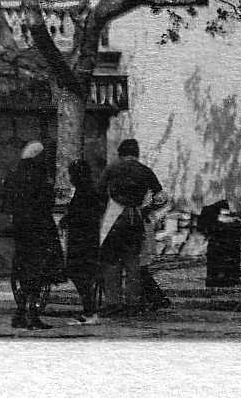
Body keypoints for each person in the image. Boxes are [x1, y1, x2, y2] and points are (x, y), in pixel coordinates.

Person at [96, 138, 165, 315]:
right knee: (132, 261)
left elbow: (99, 193)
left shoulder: (112, 168)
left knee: (111, 262)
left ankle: (113, 302)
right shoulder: (144, 170)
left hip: (114, 217)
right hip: (135, 218)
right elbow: (162, 197)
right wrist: (147, 209)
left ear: (121, 153)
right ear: (136, 153)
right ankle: (133, 303)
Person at [2, 141, 58, 330]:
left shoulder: (13, 175)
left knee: (23, 271)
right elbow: (47, 201)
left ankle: (20, 313)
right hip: (40, 229)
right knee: (38, 273)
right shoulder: (40, 175)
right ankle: (32, 315)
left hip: (20, 229)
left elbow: (6, 204)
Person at [62, 158, 105, 324]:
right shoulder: (88, 190)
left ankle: (90, 311)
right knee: (83, 276)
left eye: (71, 174)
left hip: (81, 241)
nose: (70, 178)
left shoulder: (84, 192)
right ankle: (90, 311)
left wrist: (67, 219)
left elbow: (80, 215)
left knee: (78, 274)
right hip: (88, 239)